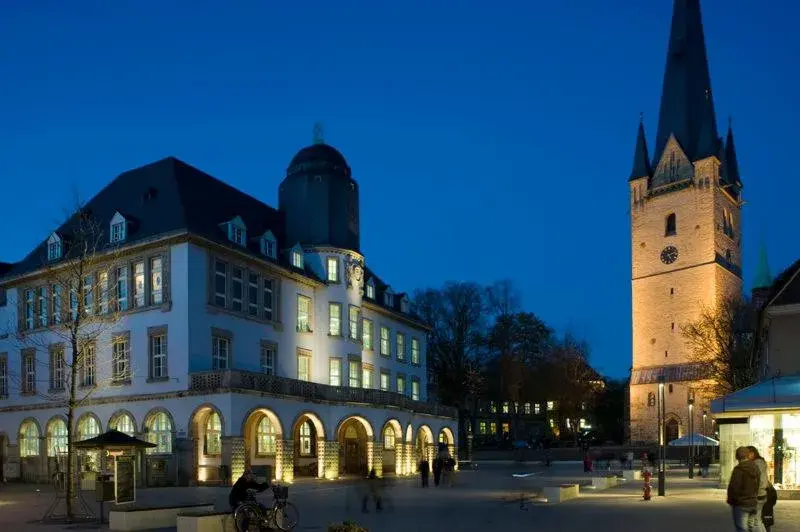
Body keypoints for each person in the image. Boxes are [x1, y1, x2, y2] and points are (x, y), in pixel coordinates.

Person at [727, 446, 760, 532]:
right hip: (753, 502)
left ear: (737, 457)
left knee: (742, 528)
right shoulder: (755, 467)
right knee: (751, 526)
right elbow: (758, 484)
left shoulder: (739, 469)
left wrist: (732, 500)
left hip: (741, 503)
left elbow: (734, 487)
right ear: (748, 455)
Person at [747, 446, 770, 532]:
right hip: (760, 493)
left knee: (755, 521)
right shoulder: (759, 462)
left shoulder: (757, 463)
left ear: (752, 453)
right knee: (756, 520)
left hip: (758, 494)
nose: (746, 457)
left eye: (747, 454)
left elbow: (760, 480)